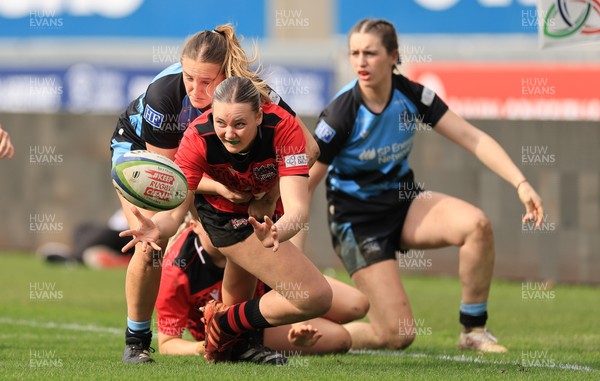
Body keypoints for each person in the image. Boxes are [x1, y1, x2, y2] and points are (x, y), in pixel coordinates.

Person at [307, 19, 544, 353]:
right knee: (397, 334)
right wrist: (293, 258)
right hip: (357, 222)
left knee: (476, 225)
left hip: (403, 204)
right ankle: (308, 334)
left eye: (371, 53)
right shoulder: (340, 113)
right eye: (354, 53)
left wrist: (521, 184)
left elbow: (472, 138)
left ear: (393, 56)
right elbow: (303, 185)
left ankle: (473, 331)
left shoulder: (412, 96)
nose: (361, 61)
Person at [110, 24, 319, 363]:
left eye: (206, 82)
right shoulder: (165, 96)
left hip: (201, 163)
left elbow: (308, 148)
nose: (195, 89)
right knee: (151, 243)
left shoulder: (249, 90)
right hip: (142, 159)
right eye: (189, 78)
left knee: (242, 234)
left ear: (226, 74)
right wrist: (222, 187)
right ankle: (137, 340)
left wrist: (266, 194)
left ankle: (239, 339)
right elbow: (173, 182)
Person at [155, 213, 368, 362]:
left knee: (357, 304)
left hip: (274, 296)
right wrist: (200, 347)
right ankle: (234, 336)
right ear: (194, 222)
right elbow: (167, 343)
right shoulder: (177, 270)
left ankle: (382, 334)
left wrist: (299, 318)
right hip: (253, 327)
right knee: (340, 339)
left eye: (227, 219)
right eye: (212, 221)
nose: (222, 227)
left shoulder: (249, 231)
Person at [36, 209, 133, 268]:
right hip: (113, 229)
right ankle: (77, 254)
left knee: (104, 234)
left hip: (130, 234)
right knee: (82, 228)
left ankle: (74, 259)